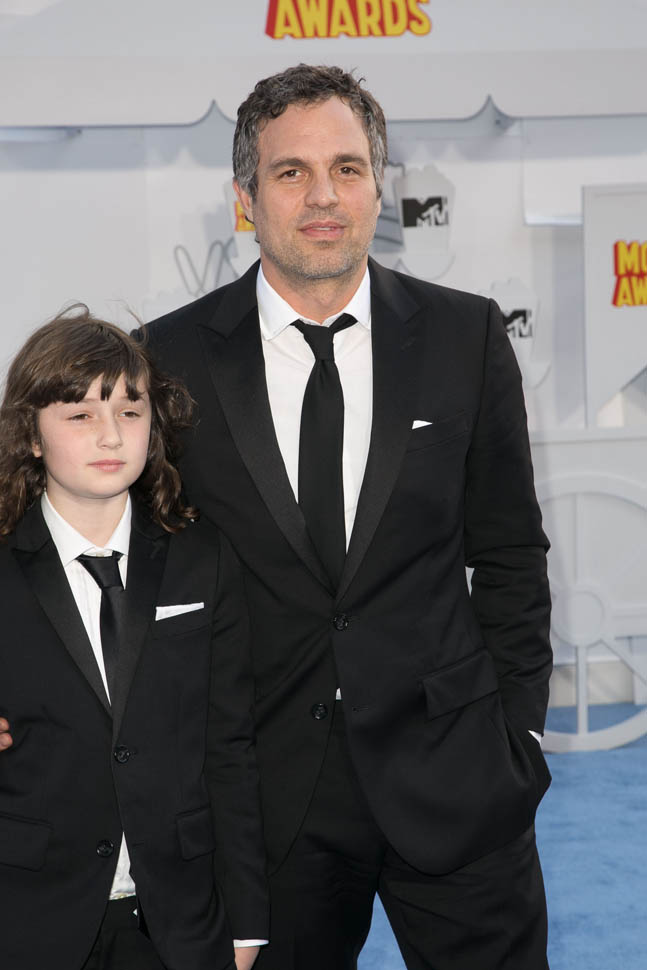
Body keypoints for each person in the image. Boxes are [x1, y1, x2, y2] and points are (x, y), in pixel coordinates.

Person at [2, 63, 553, 969]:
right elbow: (78, 533)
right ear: (245, 199)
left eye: (347, 167)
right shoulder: (168, 357)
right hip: (264, 803)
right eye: (290, 172)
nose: (323, 195)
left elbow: (509, 553)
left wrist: (519, 736)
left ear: (378, 185)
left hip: (457, 774)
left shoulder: (467, 337)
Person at [0, 309, 268, 970]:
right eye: (80, 414)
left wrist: (247, 922)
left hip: (180, 920)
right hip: (28, 915)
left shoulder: (202, 556)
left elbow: (230, 746)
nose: (111, 435)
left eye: (129, 410)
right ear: (31, 435)